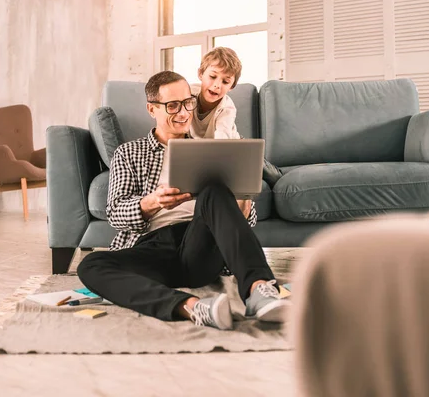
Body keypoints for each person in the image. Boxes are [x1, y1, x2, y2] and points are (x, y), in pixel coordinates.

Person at [77, 70, 291, 331]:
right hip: (152, 248)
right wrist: (152, 202)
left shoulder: (212, 147)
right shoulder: (129, 153)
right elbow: (115, 213)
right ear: (151, 109)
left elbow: (243, 221)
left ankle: (259, 290)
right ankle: (192, 307)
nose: (183, 113)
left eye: (188, 102)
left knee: (214, 190)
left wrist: (243, 198)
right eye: (172, 106)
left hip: (201, 244)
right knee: (91, 265)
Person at [190, 46, 284, 186]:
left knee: (273, 177)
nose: (217, 85)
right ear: (200, 74)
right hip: (203, 147)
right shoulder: (187, 94)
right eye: (212, 76)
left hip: (233, 144)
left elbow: (222, 142)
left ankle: (280, 173)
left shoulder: (227, 107)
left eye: (225, 81)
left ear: (232, 86)